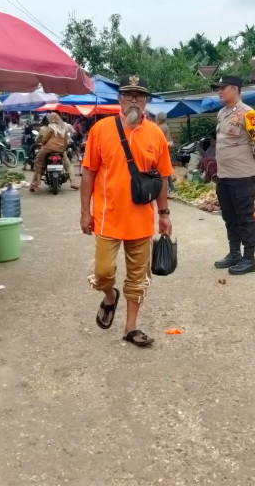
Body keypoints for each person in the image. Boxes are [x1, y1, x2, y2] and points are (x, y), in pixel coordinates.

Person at [80, 75, 173, 348]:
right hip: (107, 217)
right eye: (128, 94)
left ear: (146, 101)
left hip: (141, 221)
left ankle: (130, 328)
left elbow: (163, 178)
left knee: (137, 277)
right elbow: (88, 173)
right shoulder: (101, 130)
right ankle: (110, 296)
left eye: (139, 95)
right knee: (103, 272)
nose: (134, 99)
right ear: (119, 99)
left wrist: (164, 214)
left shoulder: (155, 134)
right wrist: (85, 212)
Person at [212, 75, 255, 275]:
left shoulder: (249, 114)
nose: (219, 91)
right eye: (218, 88)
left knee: (245, 217)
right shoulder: (221, 113)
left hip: (242, 176)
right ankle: (234, 253)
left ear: (235, 89)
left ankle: (249, 258)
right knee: (230, 217)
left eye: (223, 87)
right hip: (224, 176)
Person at [30, 112, 77, 191]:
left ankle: (37, 182)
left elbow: (44, 139)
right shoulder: (63, 129)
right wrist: (63, 149)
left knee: (39, 161)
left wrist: (44, 145)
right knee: (68, 165)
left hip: (49, 148)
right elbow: (65, 142)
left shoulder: (49, 128)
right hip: (61, 149)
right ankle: (73, 182)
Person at [155, 111, 176, 195]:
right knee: (166, 172)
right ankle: (170, 188)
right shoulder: (164, 127)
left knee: (164, 172)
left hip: (159, 152)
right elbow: (169, 142)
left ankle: (169, 188)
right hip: (163, 152)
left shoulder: (158, 127)